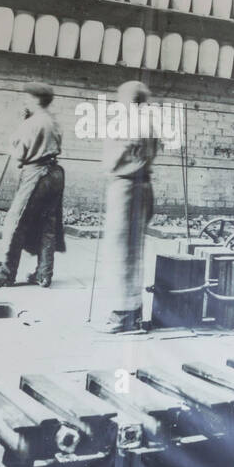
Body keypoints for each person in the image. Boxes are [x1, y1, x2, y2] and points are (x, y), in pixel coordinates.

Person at [0, 82, 65, 288]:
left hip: (36, 174)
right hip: (55, 174)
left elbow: (19, 156)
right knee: (47, 224)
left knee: (14, 222)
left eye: (28, 97)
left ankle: (5, 273)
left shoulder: (32, 123)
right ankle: (44, 274)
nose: (25, 100)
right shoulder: (52, 121)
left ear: (36, 99)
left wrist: (15, 141)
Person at [98, 80, 159, 333]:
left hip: (127, 189)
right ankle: (130, 311)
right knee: (129, 251)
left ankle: (125, 315)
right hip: (139, 187)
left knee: (123, 253)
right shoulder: (148, 124)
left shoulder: (130, 124)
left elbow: (113, 162)